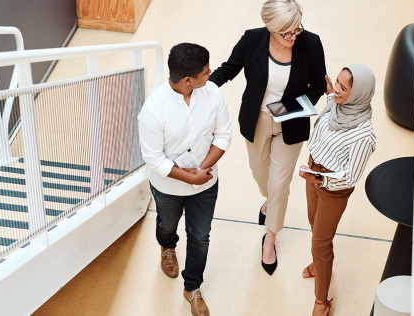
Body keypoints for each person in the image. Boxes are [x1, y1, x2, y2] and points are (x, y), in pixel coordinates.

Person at [208, 0, 327, 275]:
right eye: (287, 33)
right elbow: (228, 70)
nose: (293, 37)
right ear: (270, 28)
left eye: (297, 30)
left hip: (291, 123)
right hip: (257, 119)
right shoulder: (252, 40)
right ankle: (269, 201)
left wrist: (286, 109)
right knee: (262, 177)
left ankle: (270, 240)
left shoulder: (311, 43)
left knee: (279, 187)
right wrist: (202, 89)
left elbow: (318, 85)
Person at [138, 43, 232, 316]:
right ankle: (167, 247)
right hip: (167, 186)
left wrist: (201, 171)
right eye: (206, 71)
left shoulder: (212, 93)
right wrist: (188, 177)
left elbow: (223, 135)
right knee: (167, 225)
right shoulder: (154, 110)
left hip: (205, 183)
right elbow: (154, 159)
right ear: (187, 80)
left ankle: (192, 287)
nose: (211, 73)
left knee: (201, 236)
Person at [298, 64, 376, 316]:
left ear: (359, 94)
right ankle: (319, 265)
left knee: (321, 242)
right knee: (313, 222)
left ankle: (322, 301)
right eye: (337, 84)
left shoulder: (364, 134)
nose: (336, 91)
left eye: (344, 88)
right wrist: (331, 93)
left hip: (332, 187)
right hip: (314, 173)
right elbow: (332, 103)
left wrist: (320, 180)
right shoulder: (337, 106)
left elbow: (351, 177)